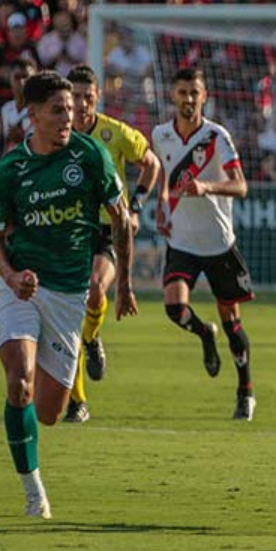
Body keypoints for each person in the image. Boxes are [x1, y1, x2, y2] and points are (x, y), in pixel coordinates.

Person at [0, 71, 137, 519]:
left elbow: (121, 219)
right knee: (20, 380)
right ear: (32, 115)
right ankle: (34, 493)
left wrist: (123, 282)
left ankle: (26, 424)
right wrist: (12, 278)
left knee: (50, 411)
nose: (68, 117)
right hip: (25, 289)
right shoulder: (10, 170)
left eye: (70, 109)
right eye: (58, 110)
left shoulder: (90, 156)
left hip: (71, 295)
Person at [152, 66, 257, 421]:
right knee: (173, 308)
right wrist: (161, 206)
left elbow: (241, 186)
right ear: (173, 95)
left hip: (218, 243)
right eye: (182, 92)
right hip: (182, 241)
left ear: (204, 96)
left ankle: (245, 391)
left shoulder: (217, 137)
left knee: (233, 321)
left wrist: (207, 187)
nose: (188, 99)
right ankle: (203, 333)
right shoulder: (161, 134)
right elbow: (165, 174)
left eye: (194, 92)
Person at [64, 64, 162, 423]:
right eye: (75, 97)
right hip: (71, 229)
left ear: (97, 98)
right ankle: (78, 402)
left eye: (88, 97)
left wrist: (135, 206)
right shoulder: (56, 137)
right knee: (70, 313)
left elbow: (151, 164)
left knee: (93, 290)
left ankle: (92, 339)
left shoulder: (115, 133)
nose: (82, 104)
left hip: (107, 229)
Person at [0, 57, 37, 150]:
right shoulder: (6, 109)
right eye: (17, 77)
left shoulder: (41, 108)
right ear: (10, 78)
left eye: (26, 77)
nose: (22, 82)